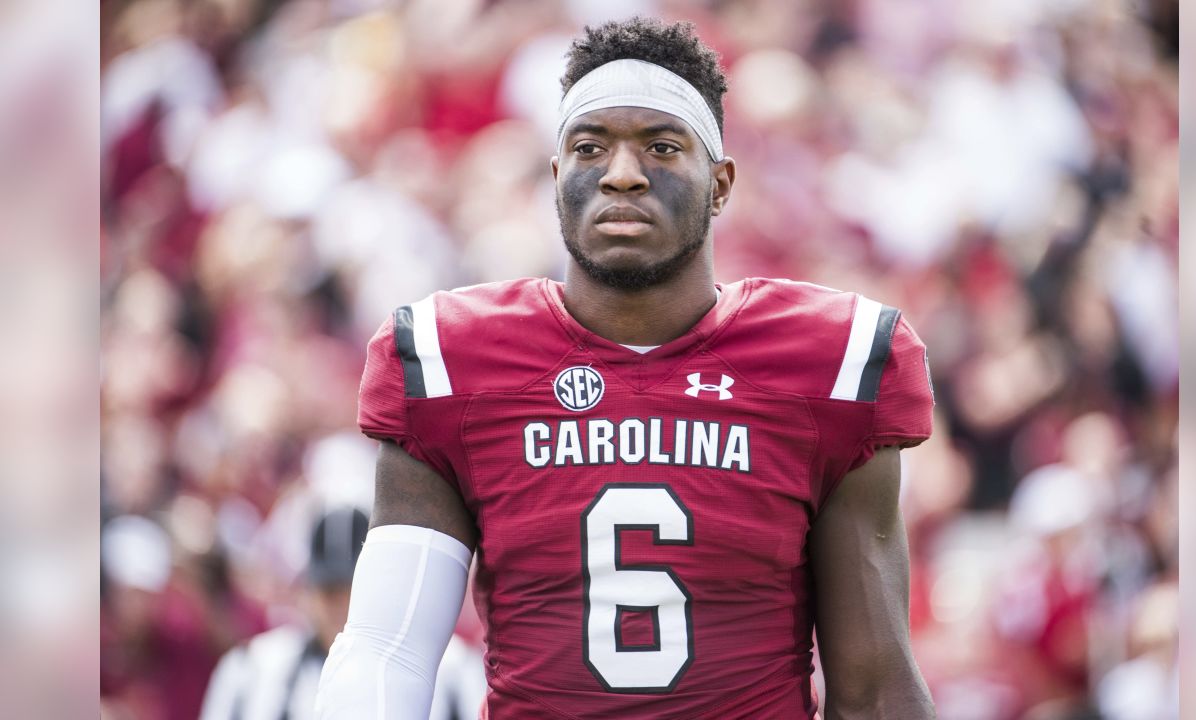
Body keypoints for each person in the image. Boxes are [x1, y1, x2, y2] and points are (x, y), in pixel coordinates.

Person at [316, 16, 936, 719]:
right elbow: (385, 653)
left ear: (721, 184)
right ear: (556, 178)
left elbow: (874, 684)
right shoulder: (450, 362)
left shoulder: (827, 364)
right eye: (590, 147)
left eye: (661, 147)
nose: (621, 174)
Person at [203, 506, 484, 720]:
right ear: (307, 592)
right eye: (330, 592)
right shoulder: (251, 669)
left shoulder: (453, 670)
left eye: (353, 589)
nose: (342, 605)